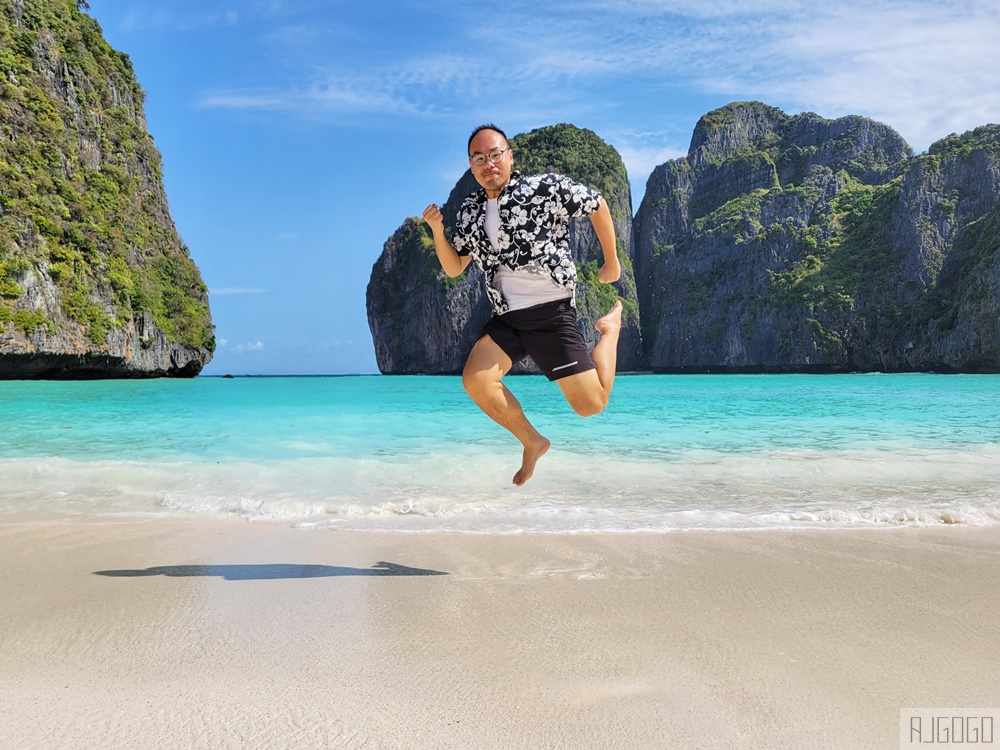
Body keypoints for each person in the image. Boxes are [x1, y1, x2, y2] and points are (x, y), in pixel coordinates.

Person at [422, 124, 623, 486]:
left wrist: (612, 261)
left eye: (495, 154)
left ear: (510, 156)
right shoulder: (469, 212)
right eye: (479, 158)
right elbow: (455, 267)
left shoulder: (543, 188)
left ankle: (610, 330)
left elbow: (598, 205)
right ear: (471, 165)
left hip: (552, 312)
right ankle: (532, 441)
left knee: (591, 406)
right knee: (476, 381)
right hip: (508, 318)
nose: (489, 164)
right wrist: (438, 230)